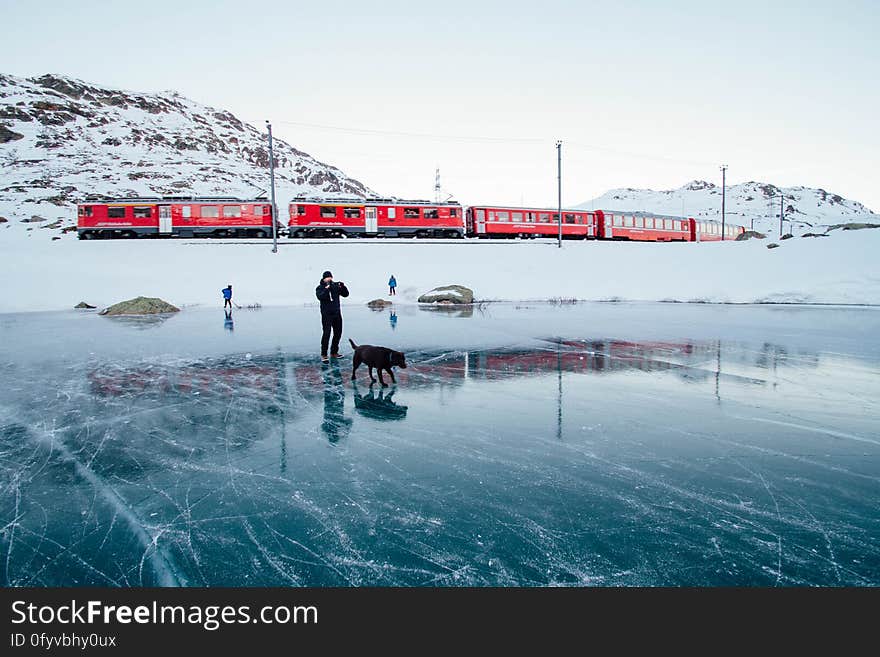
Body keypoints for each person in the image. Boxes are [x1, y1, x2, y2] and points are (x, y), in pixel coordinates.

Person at [315, 270, 349, 362]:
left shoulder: (335, 286)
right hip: (326, 314)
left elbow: (346, 294)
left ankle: (334, 352)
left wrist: (343, 287)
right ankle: (324, 354)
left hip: (337, 313)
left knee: (338, 333)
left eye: (330, 277)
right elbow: (320, 297)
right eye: (327, 277)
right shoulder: (320, 288)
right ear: (324, 278)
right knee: (327, 333)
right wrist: (327, 289)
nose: (329, 279)